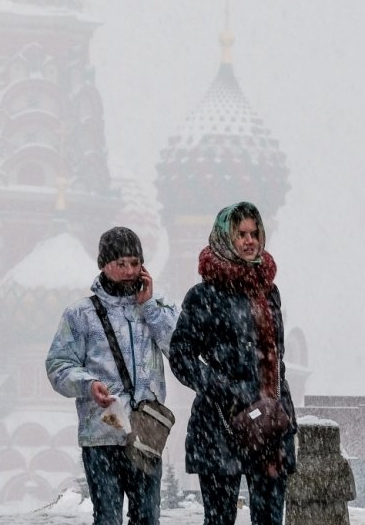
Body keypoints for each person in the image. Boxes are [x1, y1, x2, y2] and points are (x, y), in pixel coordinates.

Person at [168, 201, 297, 525]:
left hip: (269, 422)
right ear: (226, 237)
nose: (249, 240)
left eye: (255, 233)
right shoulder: (203, 295)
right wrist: (223, 388)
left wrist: (275, 402)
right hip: (220, 423)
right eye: (241, 234)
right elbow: (181, 355)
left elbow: (274, 356)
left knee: (269, 519)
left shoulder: (270, 292)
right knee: (220, 519)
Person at [46, 227, 177, 525]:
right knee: (107, 518)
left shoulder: (157, 309)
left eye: (135, 263)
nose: (130, 271)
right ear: (104, 265)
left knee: (147, 518)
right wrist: (88, 384)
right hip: (101, 434)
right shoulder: (80, 315)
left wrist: (150, 307)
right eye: (121, 264)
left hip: (146, 432)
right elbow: (58, 365)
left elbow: (179, 349)